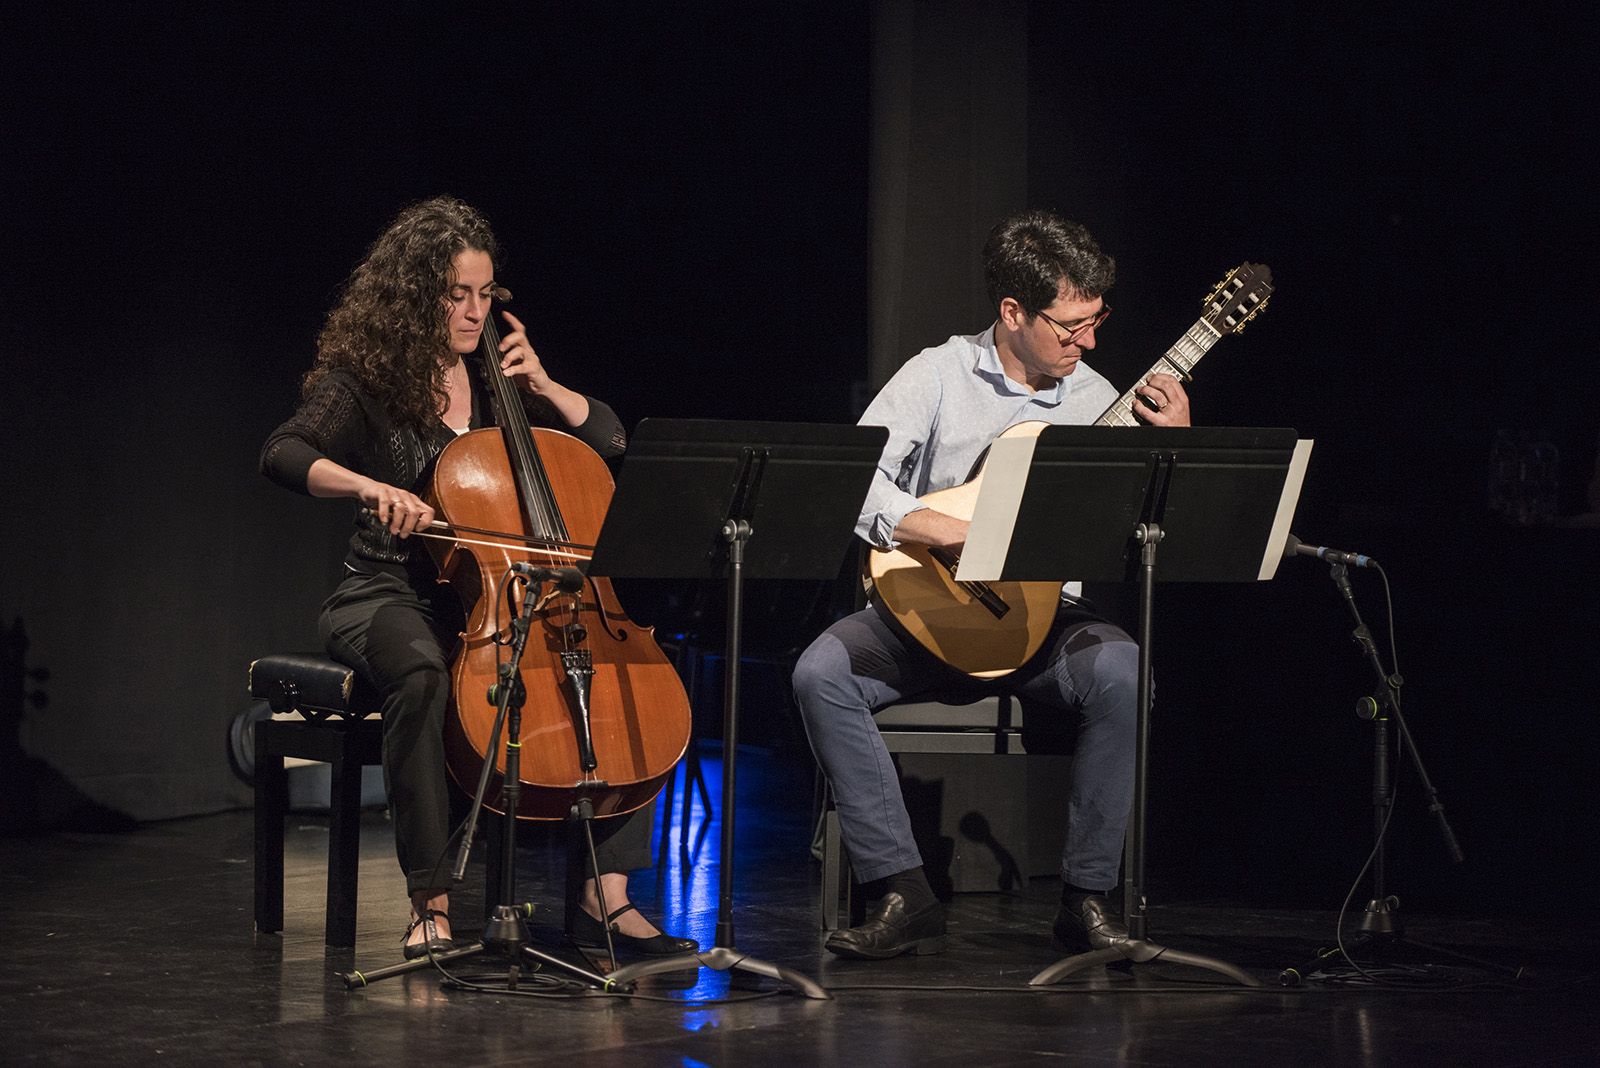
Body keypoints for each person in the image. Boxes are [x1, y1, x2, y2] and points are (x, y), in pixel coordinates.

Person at [261, 196, 695, 961]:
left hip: (499, 597)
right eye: (456, 294)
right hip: (388, 590)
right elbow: (285, 453)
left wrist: (549, 387)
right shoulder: (365, 382)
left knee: (618, 670)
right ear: (412, 296)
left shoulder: (503, 383)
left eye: (485, 294)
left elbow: (611, 440)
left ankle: (606, 896)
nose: (474, 311)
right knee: (423, 674)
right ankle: (429, 901)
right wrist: (369, 486)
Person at [792, 209, 1191, 959]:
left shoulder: (1099, 401)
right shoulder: (936, 375)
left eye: (1096, 320)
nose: (1088, 342)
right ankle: (903, 890)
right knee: (820, 674)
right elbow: (852, 479)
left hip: (1042, 621)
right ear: (1013, 312)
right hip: (929, 614)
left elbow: (1149, 532)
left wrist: (1173, 453)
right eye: (1071, 326)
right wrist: (934, 527)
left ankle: (1086, 898)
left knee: (1124, 671)